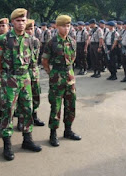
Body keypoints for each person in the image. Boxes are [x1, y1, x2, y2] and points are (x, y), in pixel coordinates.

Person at [0, 8, 42, 161]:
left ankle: (27, 139)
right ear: (12, 22)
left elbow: (34, 62)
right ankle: (7, 145)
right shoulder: (3, 39)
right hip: (10, 77)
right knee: (8, 110)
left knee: (27, 108)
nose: (21, 23)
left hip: (25, 78)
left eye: (23, 20)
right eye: (18, 21)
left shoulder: (32, 40)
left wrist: (33, 79)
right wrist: (3, 74)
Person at [42, 15, 81, 147]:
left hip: (69, 77)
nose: (66, 28)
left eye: (68, 26)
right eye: (64, 26)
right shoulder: (51, 42)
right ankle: (53, 134)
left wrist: (68, 72)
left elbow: (73, 58)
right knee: (56, 106)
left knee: (71, 105)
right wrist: (51, 73)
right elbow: (45, 61)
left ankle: (68, 130)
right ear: (57, 27)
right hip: (56, 77)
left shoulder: (73, 42)